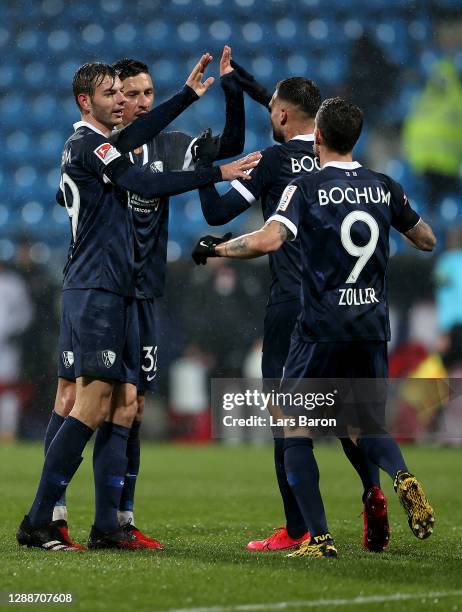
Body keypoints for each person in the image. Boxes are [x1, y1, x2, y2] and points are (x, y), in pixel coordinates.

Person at [17, 58, 259, 552]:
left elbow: (142, 137)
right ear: (89, 101)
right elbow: (144, 182)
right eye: (115, 94)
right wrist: (218, 171)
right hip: (96, 286)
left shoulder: (105, 142)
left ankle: (105, 523)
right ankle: (43, 516)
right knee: (86, 402)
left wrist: (190, 96)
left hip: (120, 287)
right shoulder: (89, 144)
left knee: (118, 403)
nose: (125, 102)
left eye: (133, 94)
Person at [192, 97, 436, 558]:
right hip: (370, 327)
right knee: (361, 422)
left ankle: (318, 538)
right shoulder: (384, 185)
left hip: (320, 325)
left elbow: (268, 239)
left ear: (319, 137)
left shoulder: (305, 187)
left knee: (293, 423)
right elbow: (426, 239)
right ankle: (401, 476)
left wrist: (217, 251)